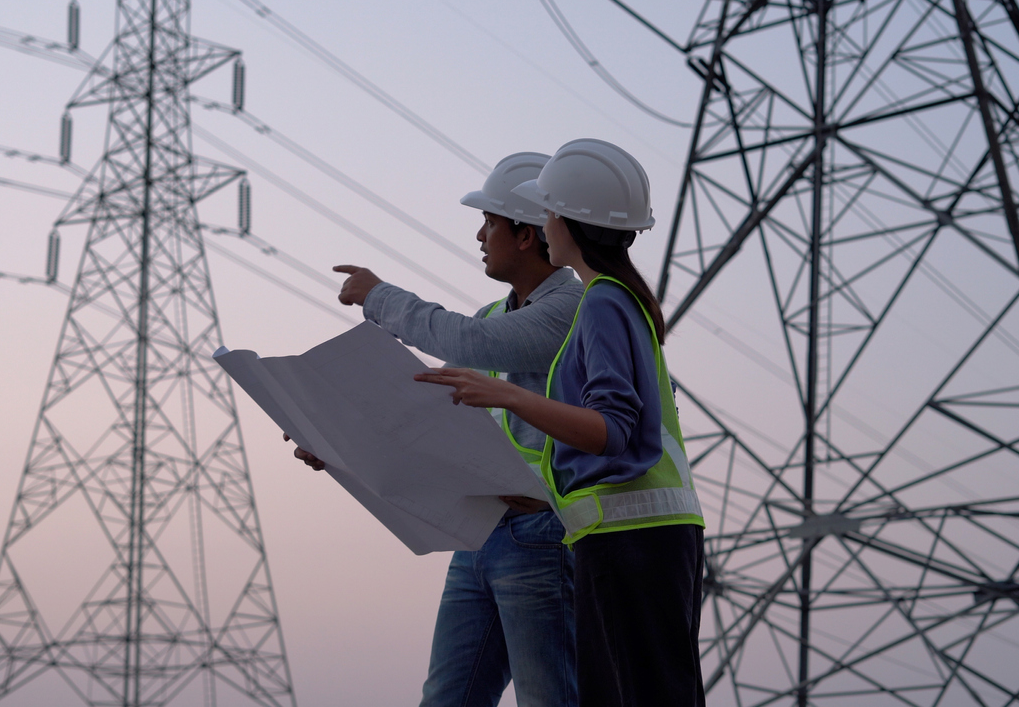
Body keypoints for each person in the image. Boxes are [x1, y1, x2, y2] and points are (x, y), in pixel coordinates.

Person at [415, 139, 707, 707]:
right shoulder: (614, 299)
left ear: (564, 222)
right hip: (614, 534)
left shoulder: (597, 303)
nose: (541, 222)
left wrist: (509, 395)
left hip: (619, 536)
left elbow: (614, 429)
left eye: (546, 212)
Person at [289, 152, 584, 707]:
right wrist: (338, 443)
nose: (480, 234)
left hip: (545, 532)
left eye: (490, 222)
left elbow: (465, 346)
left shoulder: (572, 307)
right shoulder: (498, 315)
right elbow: (436, 425)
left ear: (525, 236)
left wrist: (378, 296)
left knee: (551, 700)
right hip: (484, 532)